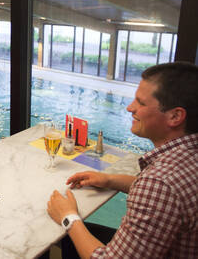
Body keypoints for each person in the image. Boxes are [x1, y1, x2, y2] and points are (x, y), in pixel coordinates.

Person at [47, 62, 198, 258]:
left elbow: (161, 189)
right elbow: (170, 197)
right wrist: (109, 180)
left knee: (59, 236)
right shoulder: (186, 158)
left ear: (175, 116)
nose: (129, 108)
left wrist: (68, 216)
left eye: (141, 103)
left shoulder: (159, 183)